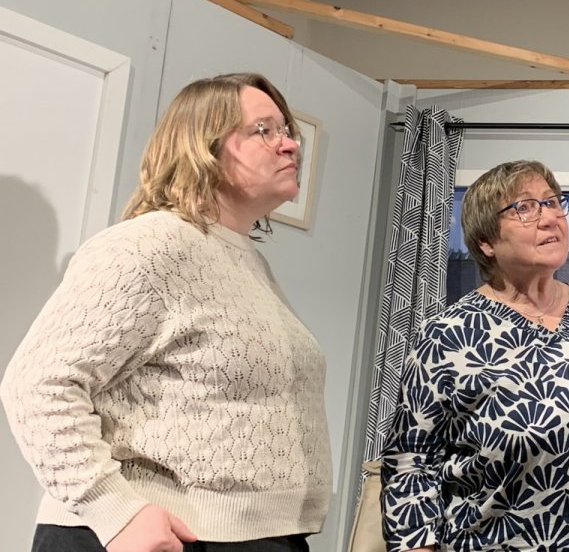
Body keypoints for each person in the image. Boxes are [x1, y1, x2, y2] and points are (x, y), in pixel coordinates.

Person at [1, 73, 331, 552]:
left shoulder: (245, 262)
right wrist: (114, 510)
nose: (289, 145)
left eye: (287, 131)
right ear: (202, 146)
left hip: (248, 536)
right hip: (161, 537)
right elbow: (38, 384)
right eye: (264, 130)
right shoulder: (150, 244)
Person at [380, 160, 569, 552]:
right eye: (524, 208)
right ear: (486, 242)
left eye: (552, 202)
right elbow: (411, 464)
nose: (548, 218)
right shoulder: (447, 335)